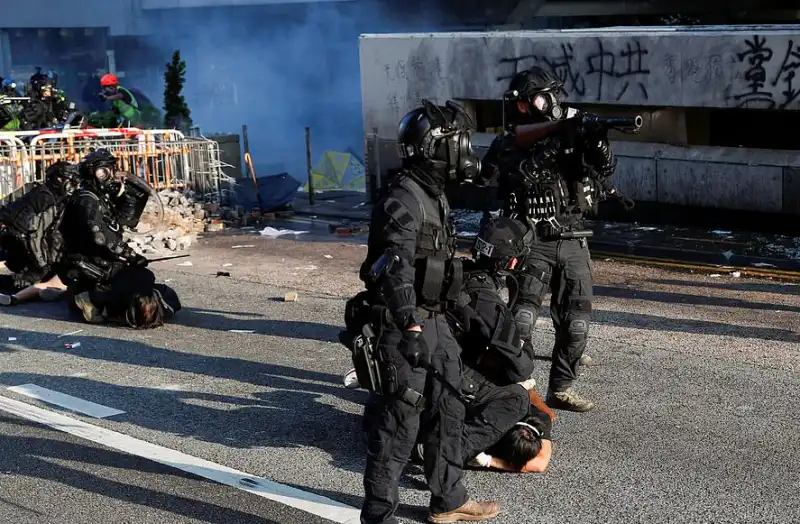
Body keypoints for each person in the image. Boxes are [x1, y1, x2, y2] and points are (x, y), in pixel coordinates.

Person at [353, 99, 497, 524]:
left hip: (435, 320)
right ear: (437, 147)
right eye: (460, 144)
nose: (467, 152)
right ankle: (379, 515)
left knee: (449, 410)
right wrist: (409, 323)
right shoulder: (402, 198)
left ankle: (448, 499)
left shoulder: (434, 195)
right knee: (399, 423)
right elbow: (390, 267)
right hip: (405, 324)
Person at [480, 66, 622, 413]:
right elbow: (496, 172)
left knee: (576, 322)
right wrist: (551, 141)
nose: (545, 104)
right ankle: (516, 386)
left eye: (547, 97)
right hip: (534, 240)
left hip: (573, 236)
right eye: (536, 100)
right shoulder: (512, 140)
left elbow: (604, 169)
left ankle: (562, 387)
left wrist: (597, 139)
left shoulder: (574, 134)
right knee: (523, 319)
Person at [57, 149, 149, 323]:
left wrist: (125, 196)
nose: (112, 176)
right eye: (108, 171)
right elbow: (101, 238)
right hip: (88, 264)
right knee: (142, 280)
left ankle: (96, 300)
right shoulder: (86, 200)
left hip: (96, 261)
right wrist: (132, 256)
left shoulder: (98, 197)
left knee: (144, 281)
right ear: (99, 173)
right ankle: (93, 299)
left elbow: (122, 222)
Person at [0, 161, 81, 305]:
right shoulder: (45, 198)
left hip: (19, 241)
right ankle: (16, 295)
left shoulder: (48, 194)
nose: (71, 186)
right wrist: (42, 263)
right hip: (19, 242)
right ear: (57, 179)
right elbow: (34, 234)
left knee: (44, 277)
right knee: (30, 279)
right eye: (67, 180)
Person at [70, 264, 181, 328]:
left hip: (118, 290)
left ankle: (90, 303)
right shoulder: (167, 304)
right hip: (136, 285)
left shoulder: (118, 300)